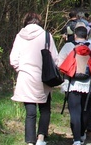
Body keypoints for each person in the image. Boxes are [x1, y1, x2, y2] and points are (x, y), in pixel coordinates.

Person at [10, 12, 57, 145]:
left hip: (25, 78)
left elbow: (13, 59)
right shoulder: (47, 36)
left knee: (30, 112)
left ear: (26, 22)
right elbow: (55, 59)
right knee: (45, 109)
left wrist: (22, 69)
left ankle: (30, 141)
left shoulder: (20, 36)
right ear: (38, 22)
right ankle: (40, 139)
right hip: (43, 78)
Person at [57, 25, 91, 145]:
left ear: (75, 35)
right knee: (86, 110)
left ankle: (76, 139)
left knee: (75, 111)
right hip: (90, 85)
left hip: (72, 83)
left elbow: (59, 63)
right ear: (87, 36)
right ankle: (82, 134)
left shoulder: (68, 46)